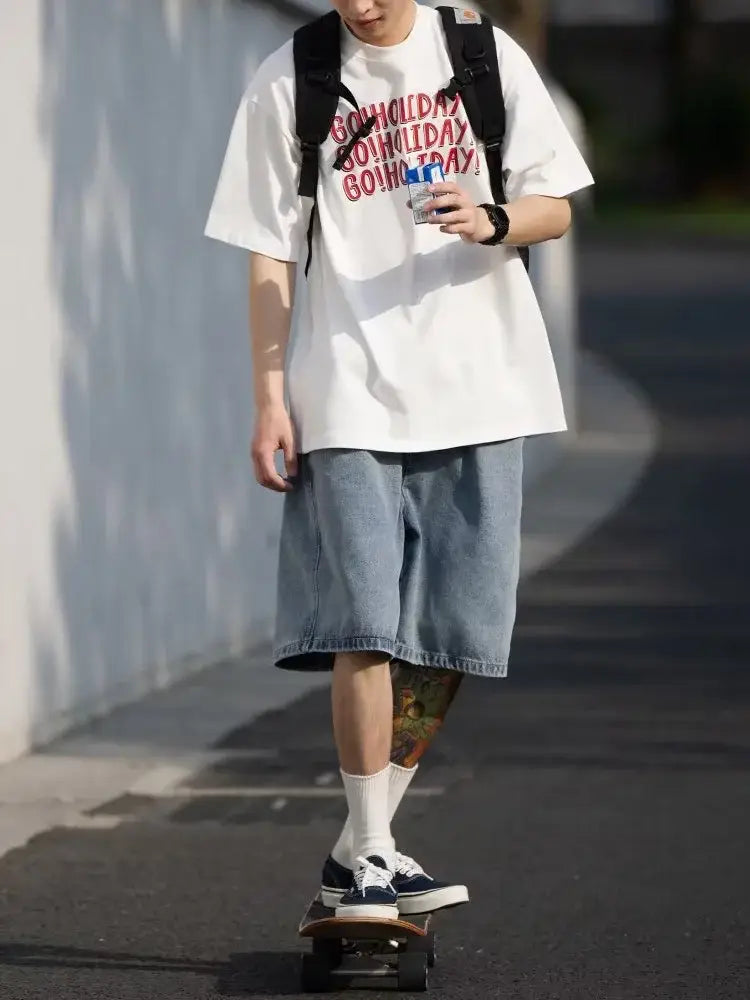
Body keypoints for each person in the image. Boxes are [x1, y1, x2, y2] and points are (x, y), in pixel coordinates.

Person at [205, 0, 594, 920]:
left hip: (481, 384)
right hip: (347, 388)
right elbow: (267, 251)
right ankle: (376, 848)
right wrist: (269, 397)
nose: (361, 7)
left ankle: (354, 848)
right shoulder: (289, 79)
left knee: (455, 631)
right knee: (367, 623)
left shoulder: (479, 55)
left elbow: (556, 207)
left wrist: (494, 218)